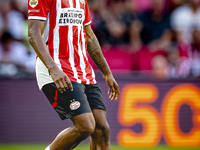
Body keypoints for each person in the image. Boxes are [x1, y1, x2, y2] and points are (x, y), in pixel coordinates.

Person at [28, 0, 120, 150]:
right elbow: (33, 33)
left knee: (102, 128)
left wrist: (107, 73)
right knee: (85, 126)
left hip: (83, 70)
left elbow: (89, 36)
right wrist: (53, 69)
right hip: (56, 68)